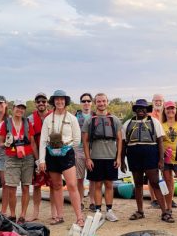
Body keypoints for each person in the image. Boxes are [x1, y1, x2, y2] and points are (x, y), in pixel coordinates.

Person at [121, 99, 174, 223]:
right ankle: (140, 211)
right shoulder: (127, 123)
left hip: (151, 153)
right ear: (135, 110)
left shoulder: (154, 122)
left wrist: (161, 160)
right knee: (138, 184)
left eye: (143, 108)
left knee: (155, 182)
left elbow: (160, 142)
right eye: (138, 108)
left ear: (147, 109)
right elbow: (123, 144)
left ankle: (165, 212)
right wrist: (122, 160)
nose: (140, 110)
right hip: (133, 155)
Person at [39, 90, 84, 226]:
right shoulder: (48, 119)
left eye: (62, 99)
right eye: (57, 100)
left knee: (71, 185)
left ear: (66, 101)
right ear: (53, 101)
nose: (59, 102)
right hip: (51, 154)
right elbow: (42, 140)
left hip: (66, 153)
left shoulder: (72, 118)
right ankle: (59, 216)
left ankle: (79, 217)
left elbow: (77, 139)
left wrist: (67, 147)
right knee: (57, 185)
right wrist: (41, 160)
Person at [82, 93, 122, 221]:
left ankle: (109, 211)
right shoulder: (90, 120)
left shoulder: (114, 119)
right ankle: (98, 211)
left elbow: (120, 139)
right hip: (95, 158)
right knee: (97, 185)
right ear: (95, 103)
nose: (101, 104)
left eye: (104, 101)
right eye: (99, 101)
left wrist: (119, 157)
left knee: (109, 184)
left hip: (111, 157)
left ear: (107, 102)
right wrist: (88, 158)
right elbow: (85, 141)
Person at [0, 100, 38, 224]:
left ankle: (22, 215)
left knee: (26, 186)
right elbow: (1, 143)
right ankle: (12, 215)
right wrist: (6, 143)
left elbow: (32, 143)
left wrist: (37, 160)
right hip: (12, 158)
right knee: (11, 188)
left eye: (22, 108)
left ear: (24, 110)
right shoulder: (5, 124)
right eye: (18, 107)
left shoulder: (27, 123)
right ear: (13, 108)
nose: (20, 110)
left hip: (27, 158)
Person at [26, 92, 56, 221]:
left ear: (47, 103)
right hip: (36, 153)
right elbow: (31, 141)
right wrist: (38, 159)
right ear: (35, 104)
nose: (41, 104)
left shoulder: (53, 116)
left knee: (53, 184)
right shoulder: (30, 119)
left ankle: (54, 212)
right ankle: (35, 212)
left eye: (43, 101)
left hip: (52, 153)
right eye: (38, 102)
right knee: (37, 185)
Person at [75, 93, 95, 211]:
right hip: (79, 149)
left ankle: (92, 201)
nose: (86, 103)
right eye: (84, 101)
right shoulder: (75, 117)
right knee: (79, 177)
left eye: (88, 101)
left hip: (93, 149)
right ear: (81, 103)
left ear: (91, 103)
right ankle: (81, 201)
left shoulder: (96, 116)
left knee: (92, 177)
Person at [148, 93, 167, 208]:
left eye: (160, 100)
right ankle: (153, 199)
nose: (158, 102)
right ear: (152, 102)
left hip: (167, 147)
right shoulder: (149, 115)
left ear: (163, 101)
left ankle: (166, 197)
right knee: (152, 174)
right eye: (156, 100)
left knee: (167, 173)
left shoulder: (166, 114)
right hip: (154, 147)